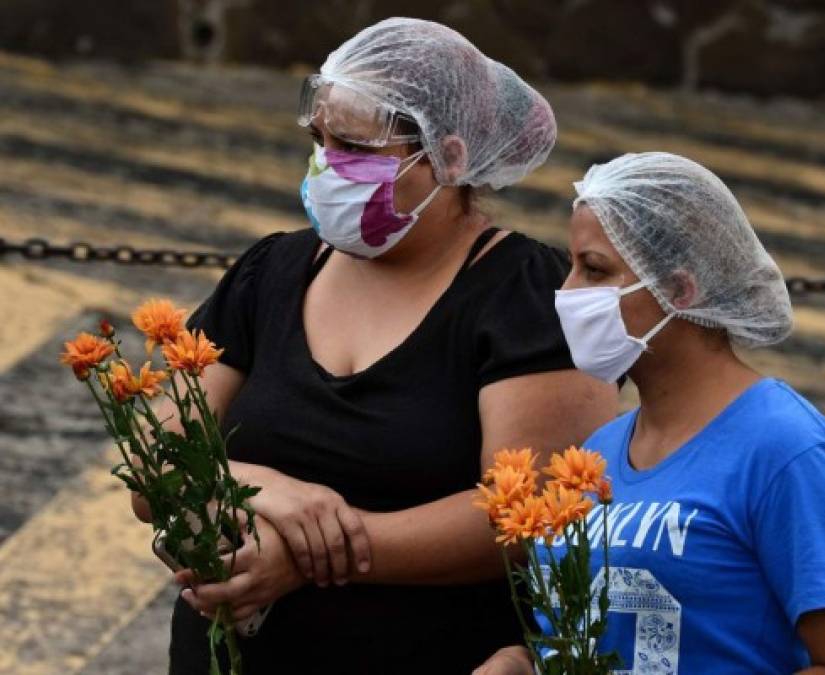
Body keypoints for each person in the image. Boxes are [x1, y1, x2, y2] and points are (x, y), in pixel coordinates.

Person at [131, 17, 619, 675]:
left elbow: (526, 518)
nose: (326, 163)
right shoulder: (271, 272)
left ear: (448, 157)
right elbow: (154, 457)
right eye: (318, 139)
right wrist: (262, 488)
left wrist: (309, 558)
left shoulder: (524, 299)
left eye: (354, 147)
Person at [475, 152, 825, 674]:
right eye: (572, 267)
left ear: (679, 288)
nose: (566, 293)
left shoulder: (788, 451)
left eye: (595, 270)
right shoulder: (597, 455)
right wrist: (524, 662)